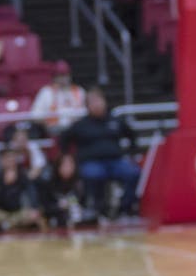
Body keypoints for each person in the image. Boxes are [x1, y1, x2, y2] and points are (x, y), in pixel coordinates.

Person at [59, 86, 140, 218]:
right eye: (92, 102)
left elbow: (132, 135)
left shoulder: (115, 120)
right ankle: (98, 208)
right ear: (87, 106)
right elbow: (64, 139)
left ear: (104, 101)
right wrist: (68, 158)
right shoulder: (80, 125)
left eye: (98, 100)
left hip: (115, 161)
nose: (96, 104)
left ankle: (125, 207)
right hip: (91, 162)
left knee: (133, 172)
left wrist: (131, 153)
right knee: (93, 174)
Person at [30, 59, 86, 133]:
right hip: (55, 130)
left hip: (78, 129)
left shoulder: (79, 91)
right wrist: (48, 121)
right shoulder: (46, 92)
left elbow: (87, 112)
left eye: (65, 75)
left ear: (69, 75)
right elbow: (35, 116)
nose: (63, 79)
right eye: (59, 75)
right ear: (54, 77)